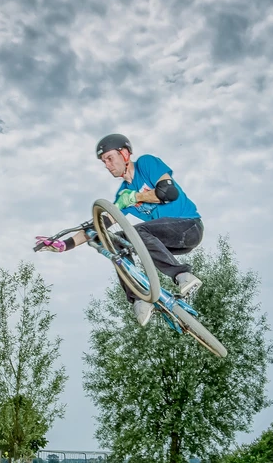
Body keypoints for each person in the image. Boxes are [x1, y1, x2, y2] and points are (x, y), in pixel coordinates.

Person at [35, 134, 204, 327]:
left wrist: (136, 197)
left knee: (137, 232)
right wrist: (65, 245)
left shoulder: (145, 164)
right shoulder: (124, 193)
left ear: (124, 154)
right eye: (103, 162)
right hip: (164, 240)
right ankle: (139, 298)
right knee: (115, 240)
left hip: (189, 226)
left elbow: (169, 192)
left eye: (109, 158)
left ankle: (182, 275)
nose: (106, 165)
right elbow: (100, 225)